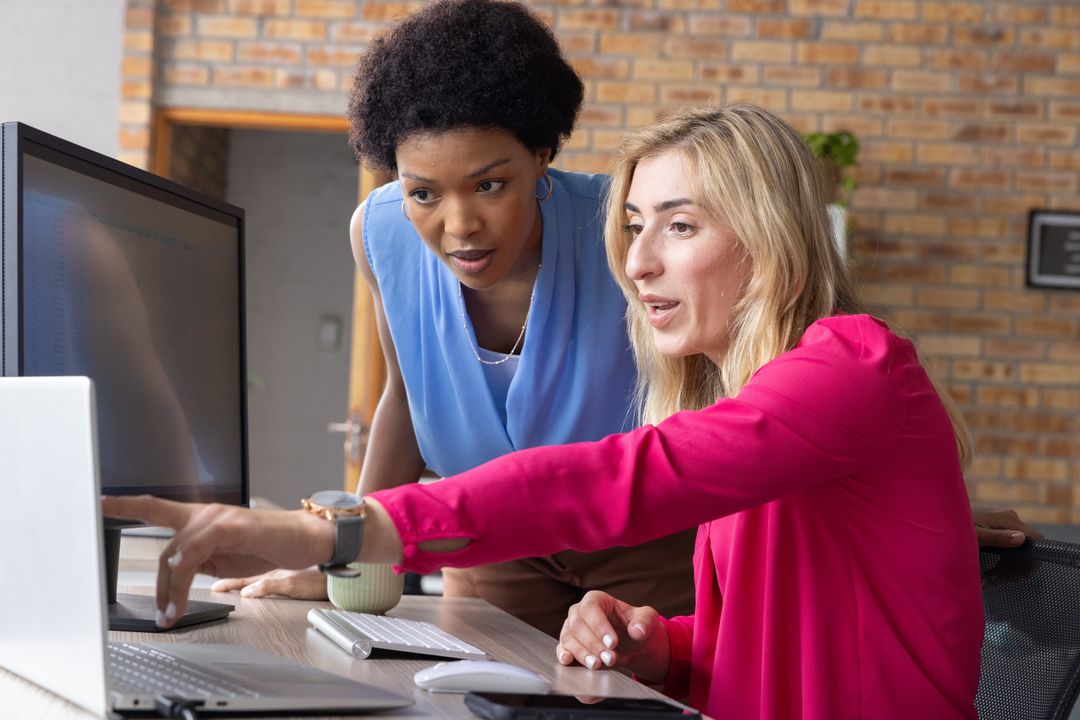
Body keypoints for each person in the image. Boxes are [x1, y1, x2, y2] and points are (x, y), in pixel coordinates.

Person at [108, 104, 990, 718]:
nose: (637, 262)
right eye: (634, 225)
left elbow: (620, 478)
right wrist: (661, 649)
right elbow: (749, 645)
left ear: (770, 235)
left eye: (679, 226)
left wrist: (329, 530)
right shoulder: (749, 399)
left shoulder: (855, 362)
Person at [209, 0, 696, 637]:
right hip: (486, 537)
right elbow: (406, 397)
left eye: (489, 185)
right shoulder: (379, 233)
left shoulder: (623, 229)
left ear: (542, 155)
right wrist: (341, 554)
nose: (459, 225)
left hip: (642, 539)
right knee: (481, 694)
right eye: (423, 193)